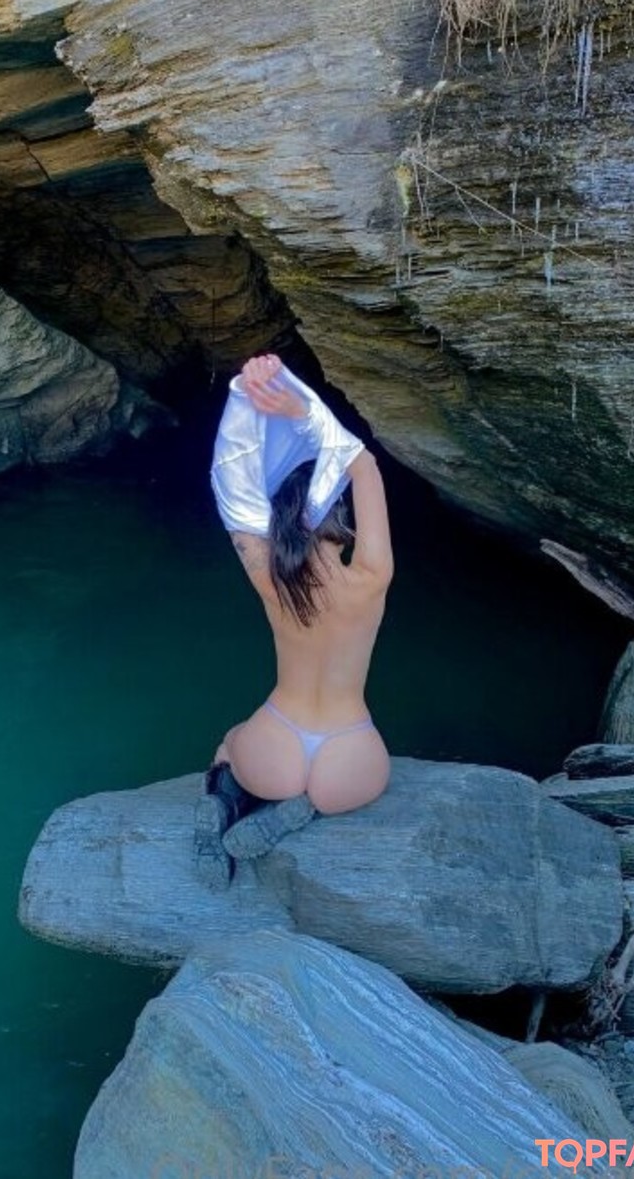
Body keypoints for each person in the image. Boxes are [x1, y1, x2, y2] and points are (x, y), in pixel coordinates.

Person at [195, 353, 393, 888]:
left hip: (274, 746)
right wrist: (300, 412)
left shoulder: (273, 583)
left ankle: (223, 801)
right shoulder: (371, 578)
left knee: (229, 743)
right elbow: (363, 464)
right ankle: (302, 809)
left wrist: (251, 404)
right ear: (339, 523)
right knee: (374, 775)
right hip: (347, 755)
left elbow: (235, 493)